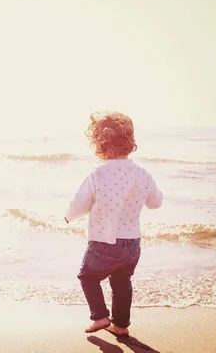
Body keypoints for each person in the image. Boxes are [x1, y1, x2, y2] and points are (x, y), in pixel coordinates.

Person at [64, 112, 163, 336]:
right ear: (130, 142)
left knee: (88, 277)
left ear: (99, 145)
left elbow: (80, 204)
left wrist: (68, 217)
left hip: (104, 242)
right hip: (133, 244)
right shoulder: (142, 174)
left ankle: (100, 317)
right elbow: (155, 202)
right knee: (122, 281)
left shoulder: (98, 175)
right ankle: (120, 326)